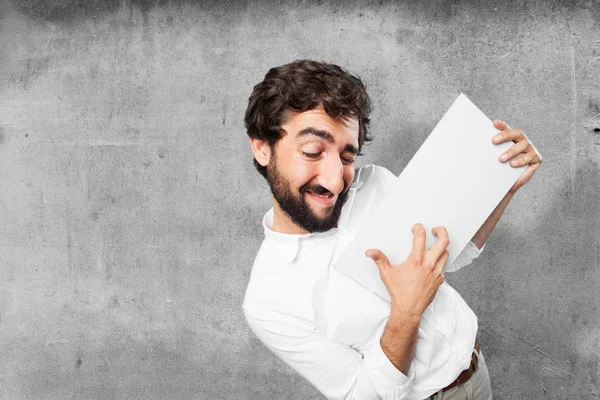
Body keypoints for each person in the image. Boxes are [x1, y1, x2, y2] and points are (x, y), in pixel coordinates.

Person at [242, 60, 542, 400]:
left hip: (477, 371)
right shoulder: (268, 302)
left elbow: (451, 253)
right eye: (313, 151)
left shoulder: (375, 184)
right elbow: (364, 394)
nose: (334, 179)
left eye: (346, 157)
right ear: (262, 148)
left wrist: (503, 187)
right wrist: (407, 309)